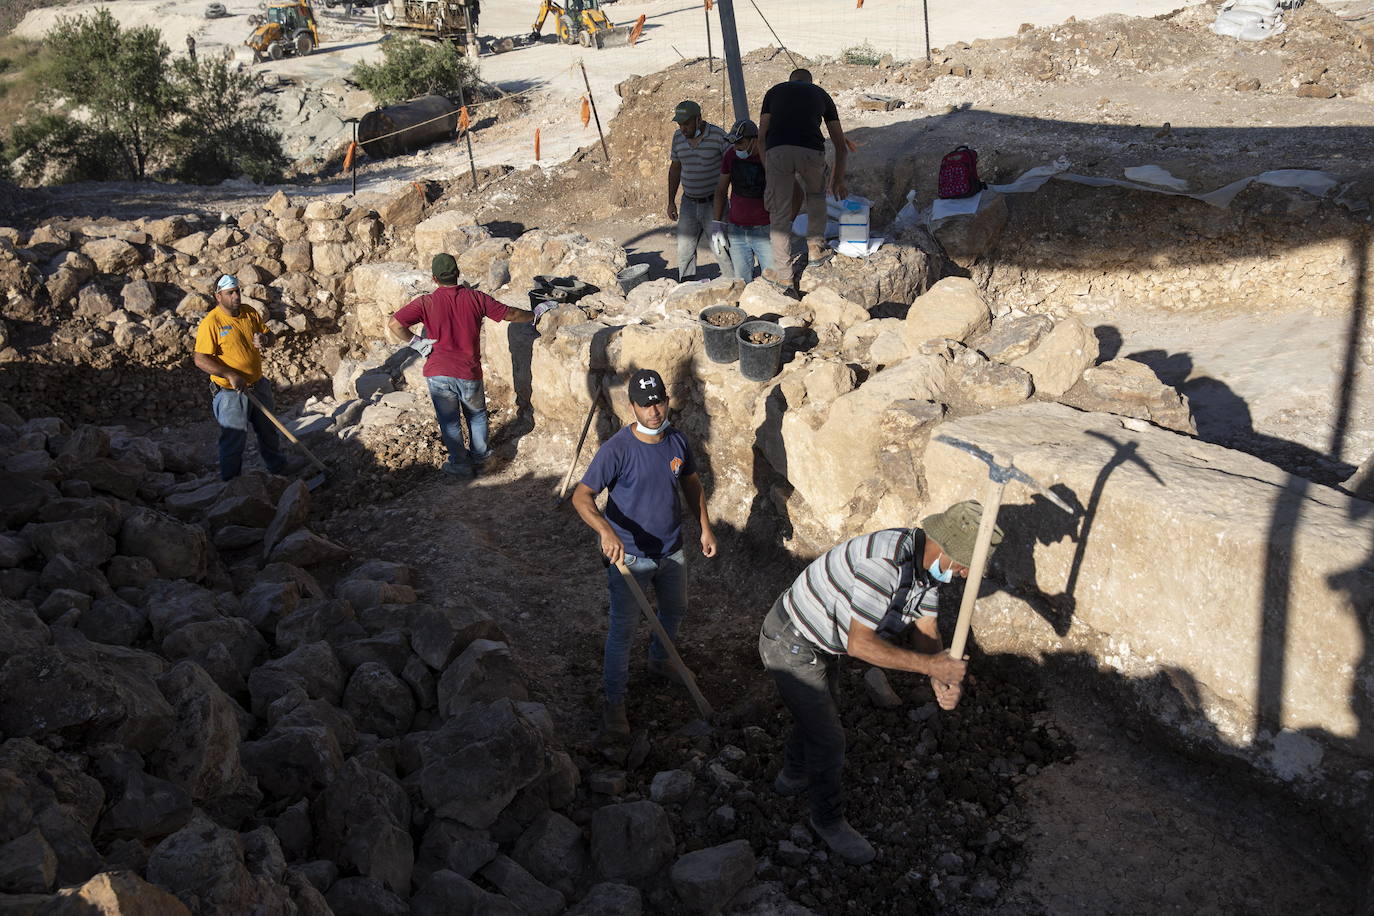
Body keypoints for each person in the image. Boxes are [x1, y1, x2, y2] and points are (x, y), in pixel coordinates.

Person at [758, 501, 1001, 865]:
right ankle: (827, 820)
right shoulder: (884, 565)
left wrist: (939, 675)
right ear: (944, 547)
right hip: (792, 639)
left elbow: (926, 627)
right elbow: (860, 644)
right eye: (965, 565)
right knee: (828, 737)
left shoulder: (927, 569)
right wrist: (930, 665)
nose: (965, 574)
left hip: (823, 641)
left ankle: (791, 776)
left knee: (820, 712)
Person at [572, 369, 717, 736]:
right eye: (645, 404)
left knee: (675, 610)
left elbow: (692, 484)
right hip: (630, 557)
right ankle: (614, 702)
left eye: (659, 401)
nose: (654, 410)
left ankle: (659, 660)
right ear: (632, 406)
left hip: (672, 551)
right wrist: (606, 531)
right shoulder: (617, 450)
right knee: (623, 631)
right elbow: (581, 496)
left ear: (666, 400)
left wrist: (704, 526)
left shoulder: (677, 442)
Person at [388, 253, 546, 479]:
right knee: (477, 416)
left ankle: (460, 465)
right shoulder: (476, 298)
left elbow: (395, 324)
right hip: (468, 372)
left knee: (449, 422)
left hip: (438, 372)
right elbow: (510, 314)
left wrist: (416, 342)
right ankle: (481, 461)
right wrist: (535, 314)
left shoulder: (426, 302)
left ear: (434, 279)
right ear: (458, 273)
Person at [758, 68, 849, 287]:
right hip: (811, 151)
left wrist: (768, 167)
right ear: (810, 81)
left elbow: (761, 137)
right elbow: (840, 144)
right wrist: (837, 178)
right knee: (816, 196)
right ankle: (816, 250)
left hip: (777, 151)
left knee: (779, 214)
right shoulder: (821, 94)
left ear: (790, 80)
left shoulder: (774, 92)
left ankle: (785, 276)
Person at [193, 275, 287, 481]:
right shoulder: (212, 323)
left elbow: (270, 336)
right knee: (234, 439)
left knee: (269, 432)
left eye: (237, 291)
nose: (236, 296)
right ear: (218, 296)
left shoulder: (249, 313)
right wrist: (229, 374)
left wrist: (265, 339)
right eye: (230, 293)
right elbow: (200, 359)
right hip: (230, 393)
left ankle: (280, 472)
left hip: (258, 385)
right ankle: (232, 485)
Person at [667, 100, 729, 283]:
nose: (683, 128)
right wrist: (671, 201)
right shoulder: (678, 138)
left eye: (686, 124)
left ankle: (733, 283)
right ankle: (687, 288)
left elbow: (732, 166)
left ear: (699, 119)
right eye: (680, 124)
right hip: (688, 203)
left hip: (714, 204)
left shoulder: (718, 136)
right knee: (684, 251)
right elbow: (675, 169)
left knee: (721, 248)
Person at [711, 118, 773, 282]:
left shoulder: (768, 158)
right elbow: (721, 190)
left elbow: (785, 187)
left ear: (755, 141)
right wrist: (717, 223)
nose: (736, 147)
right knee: (741, 280)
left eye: (740, 143)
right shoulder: (731, 156)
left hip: (764, 229)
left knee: (773, 279)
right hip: (737, 231)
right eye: (734, 143)